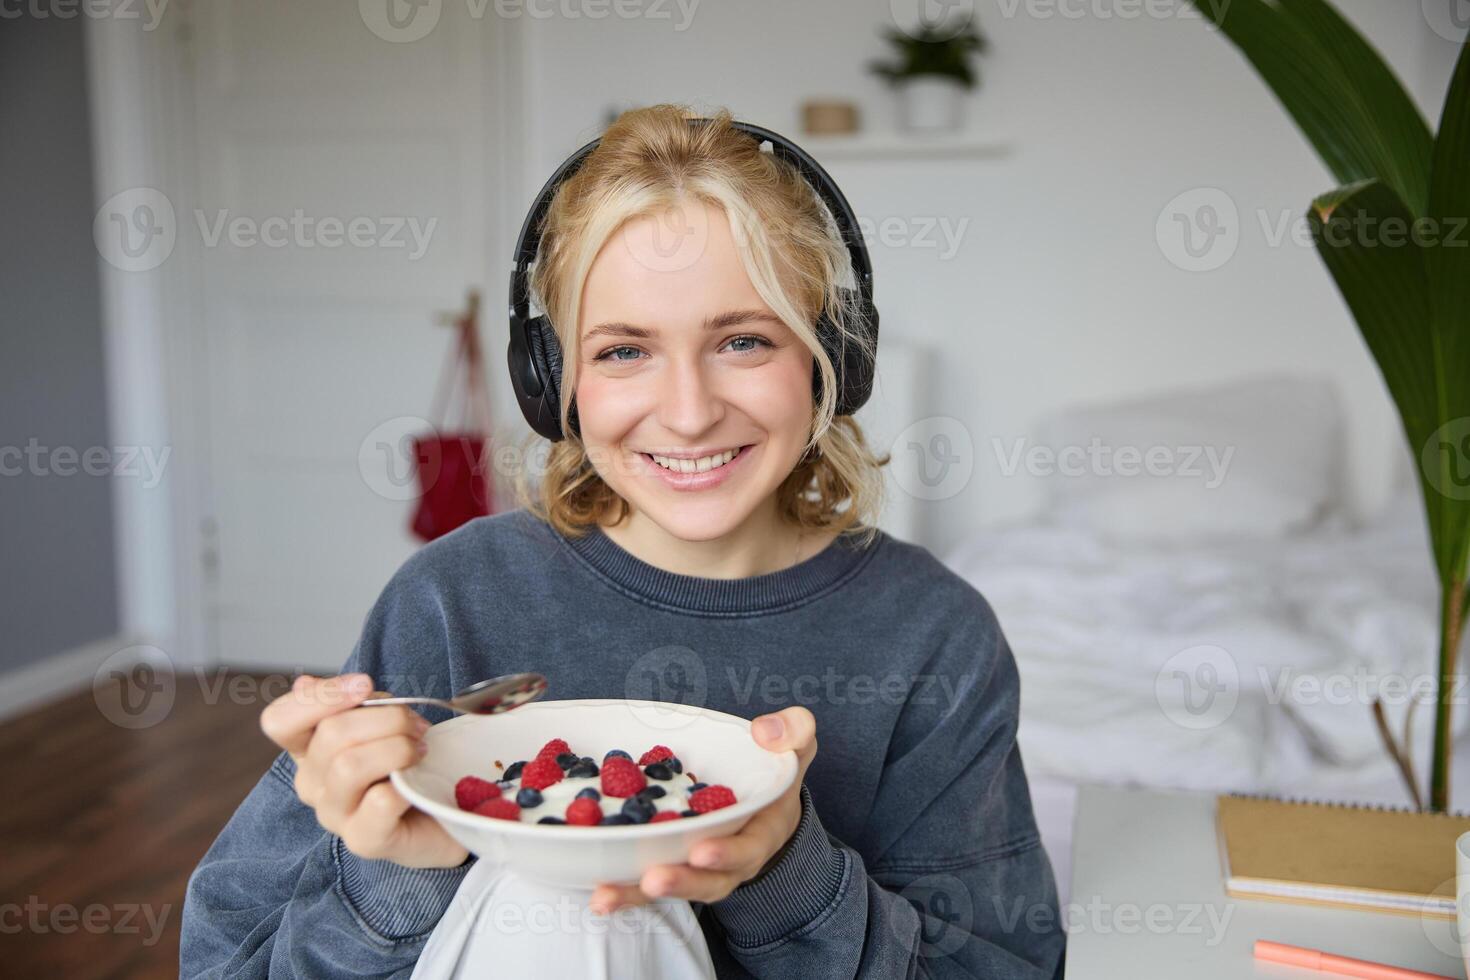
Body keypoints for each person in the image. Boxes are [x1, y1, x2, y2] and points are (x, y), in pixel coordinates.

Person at [180, 103, 1066, 978]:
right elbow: (226, 965)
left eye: (745, 340)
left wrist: (785, 871)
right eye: (622, 352)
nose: (687, 414)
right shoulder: (451, 601)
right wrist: (393, 878)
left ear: (833, 358)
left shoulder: (933, 634)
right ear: (552, 380)